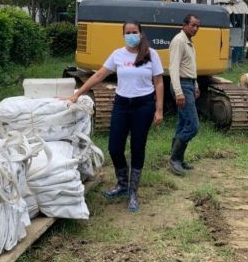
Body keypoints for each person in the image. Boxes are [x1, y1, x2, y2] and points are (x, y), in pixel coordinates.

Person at [67, 21, 164, 213]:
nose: (131, 35)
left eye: (134, 32)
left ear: (141, 33)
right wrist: (78, 93)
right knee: (114, 147)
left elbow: (159, 82)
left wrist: (159, 110)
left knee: (137, 147)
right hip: (121, 104)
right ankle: (121, 184)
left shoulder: (151, 54)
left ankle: (133, 193)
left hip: (143, 106)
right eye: (127, 32)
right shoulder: (118, 54)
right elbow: (99, 75)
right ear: (123, 35)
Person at [169, 14, 200, 176]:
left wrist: (196, 84)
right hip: (181, 85)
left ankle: (178, 158)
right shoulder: (179, 41)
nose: (195, 28)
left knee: (183, 123)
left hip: (189, 84)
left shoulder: (189, 42)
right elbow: (173, 68)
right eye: (192, 25)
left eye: (197, 26)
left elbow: (190, 66)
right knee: (193, 126)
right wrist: (179, 92)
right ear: (184, 25)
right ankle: (174, 159)